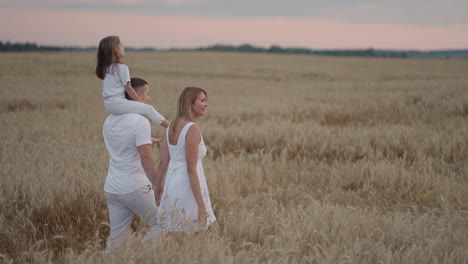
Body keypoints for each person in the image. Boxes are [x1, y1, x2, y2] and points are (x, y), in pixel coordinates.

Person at [103, 78, 162, 252]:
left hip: (113, 188)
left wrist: (145, 140)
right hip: (135, 186)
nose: (149, 98)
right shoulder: (140, 121)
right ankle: (143, 256)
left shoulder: (109, 120)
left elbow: (122, 143)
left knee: (116, 238)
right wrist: (159, 185)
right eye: (147, 94)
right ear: (137, 94)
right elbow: (146, 158)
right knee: (165, 222)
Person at [151, 87, 219, 239]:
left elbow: (162, 163)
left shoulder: (171, 126)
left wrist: (158, 189)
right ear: (190, 104)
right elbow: (190, 169)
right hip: (189, 188)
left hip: (172, 187)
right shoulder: (192, 129)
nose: (206, 104)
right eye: (202, 100)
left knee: (176, 236)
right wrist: (201, 206)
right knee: (205, 233)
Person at [95, 35, 169, 128]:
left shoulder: (106, 69)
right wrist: (140, 102)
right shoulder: (121, 67)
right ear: (116, 50)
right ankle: (170, 127)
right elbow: (128, 88)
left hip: (108, 105)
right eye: (121, 46)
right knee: (149, 109)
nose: (123, 48)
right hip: (118, 104)